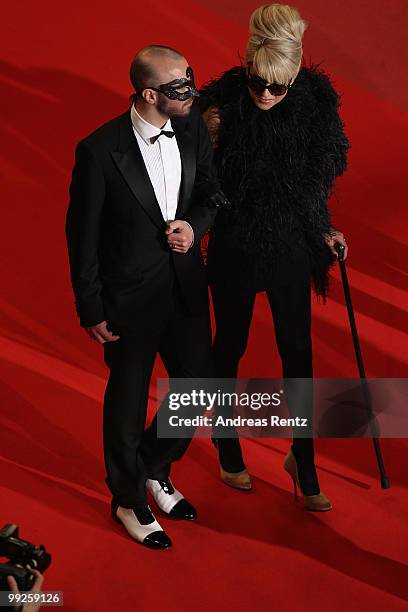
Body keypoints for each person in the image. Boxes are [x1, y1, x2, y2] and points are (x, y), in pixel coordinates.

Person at [66, 45, 224, 548]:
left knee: (198, 385)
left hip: (184, 285)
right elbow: (81, 237)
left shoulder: (193, 125)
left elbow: (212, 194)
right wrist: (90, 306)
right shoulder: (98, 150)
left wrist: (193, 226)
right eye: (181, 87)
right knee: (128, 402)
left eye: (191, 80)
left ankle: (154, 467)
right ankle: (128, 500)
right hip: (128, 298)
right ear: (149, 94)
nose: (192, 92)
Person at [199, 3, 349, 510]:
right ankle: (225, 441)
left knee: (297, 355)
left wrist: (322, 227)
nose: (264, 94)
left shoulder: (314, 105)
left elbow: (310, 183)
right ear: (248, 64)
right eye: (257, 81)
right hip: (235, 244)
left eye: (277, 87)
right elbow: (195, 182)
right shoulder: (220, 107)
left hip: (288, 242)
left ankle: (303, 459)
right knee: (230, 346)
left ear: (294, 77)